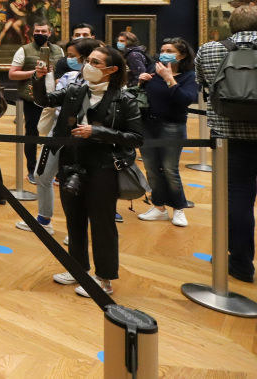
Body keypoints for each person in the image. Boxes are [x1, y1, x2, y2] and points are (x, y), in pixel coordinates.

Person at [34, 45, 144, 297]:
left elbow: (136, 137)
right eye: (89, 61)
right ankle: (77, 269)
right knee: (74, 221)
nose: (88, 66)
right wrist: (39, 79)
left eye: (96, 62)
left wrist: (97, 132)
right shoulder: (75, 91)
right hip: (70, 164)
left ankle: (104, 278)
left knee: (102, 224)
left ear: (111, 70)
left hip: (103, 168)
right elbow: (44, 100)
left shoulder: (124, 99)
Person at [195, 5, 257, 282]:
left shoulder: (209, 50)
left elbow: (203, 86)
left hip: (229, 138)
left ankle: (241, 264)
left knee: (238, 202)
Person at [16, 38, 101, 236]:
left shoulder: (106, 86)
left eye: (73, 56)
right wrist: (39, 78)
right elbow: (48, 99)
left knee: (77, 186)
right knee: (42, 176)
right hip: (59, 134)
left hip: (86, 142)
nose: (68, 60)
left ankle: (77, 232)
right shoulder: (71, 78)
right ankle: (44, 220)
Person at [137, 38, 197, 227]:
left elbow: (186, 99)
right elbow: (143, 98)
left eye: (169, 50)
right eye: (162, 49)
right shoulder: (153, 72)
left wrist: (169, 79)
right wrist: (141, 83)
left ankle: (179, 208)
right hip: (148, 125)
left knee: (170, 169)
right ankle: (159, 207)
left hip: (172, 127)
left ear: (182, 54)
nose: (164, 53)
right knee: (152, 169)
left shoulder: (189, 76)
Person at [8, 20, 64, 181]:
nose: (40, 34)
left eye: (43, 31)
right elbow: (12, 74)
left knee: (57, 133)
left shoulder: (58, 50)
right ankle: (32, 170)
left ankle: (56, 171)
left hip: (55, 98)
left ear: (50, 33)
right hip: (32, 98)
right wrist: (35, 71)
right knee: (32, 133)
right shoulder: (24, 50)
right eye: (37, 31)